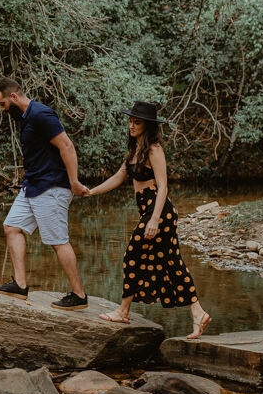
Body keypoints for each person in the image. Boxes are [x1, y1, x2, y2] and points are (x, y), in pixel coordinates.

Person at [86, 101, 212, 338]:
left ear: (148, 126)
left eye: (137, 122)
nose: (131, 126)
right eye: (131, 121)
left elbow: (163, 187)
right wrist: (91, 192)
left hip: (159, 211)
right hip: (149, 211)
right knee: (172, 262)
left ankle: (123, 311)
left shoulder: (154, 150)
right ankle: (198, 312)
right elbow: (118, 177)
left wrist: (154, 219)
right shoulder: (135, 150)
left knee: (132, 254)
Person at [0, 77, 90, 310]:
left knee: (57, 241)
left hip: (52, 186)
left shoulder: (41, 114)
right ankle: (20, 285)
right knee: (11, 227)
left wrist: (73, 181)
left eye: (3, 104)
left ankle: (79, 295)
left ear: (13, 97)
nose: (3, 110)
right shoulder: (25, 118)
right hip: (32, 185)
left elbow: (67, 146)